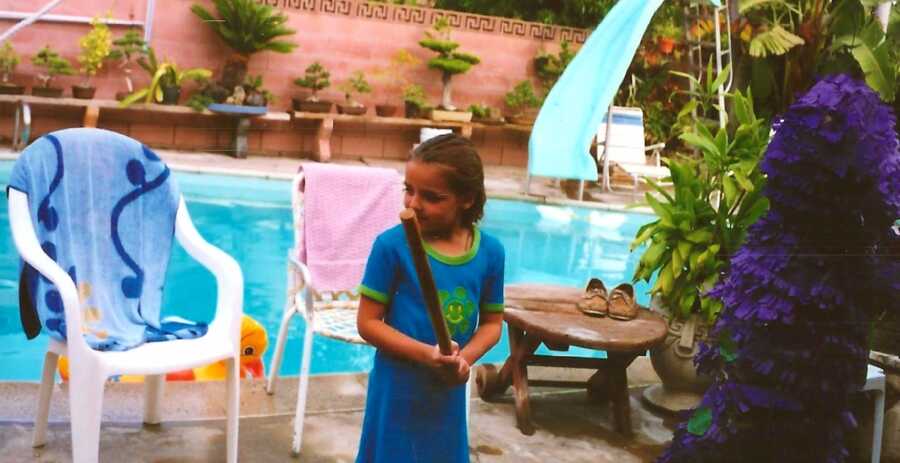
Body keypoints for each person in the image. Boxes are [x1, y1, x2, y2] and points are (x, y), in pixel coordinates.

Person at [355, 134, 505, 463]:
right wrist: (428, 354)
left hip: (446, 389)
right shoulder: (391, 246)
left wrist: (463, 359)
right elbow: (367, 323)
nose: (413, 204)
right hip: (397, 385)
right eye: (409, 190)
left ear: (466, 198)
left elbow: (493, 324)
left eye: (432, 197)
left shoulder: (490, 252)